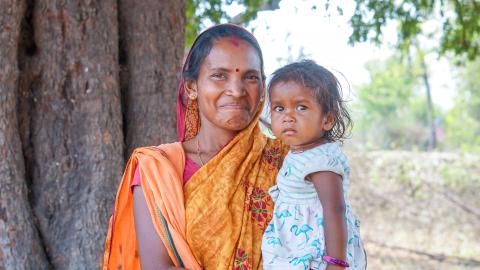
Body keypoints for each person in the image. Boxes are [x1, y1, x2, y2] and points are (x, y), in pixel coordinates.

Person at [102, 24, 287, 270]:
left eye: (250, 77)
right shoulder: (157, 171)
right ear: (192, 87)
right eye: (219, 75)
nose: (236, 90)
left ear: (262, 87)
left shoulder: (289, 160)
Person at [261, 60, 366, 270]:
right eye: (279, 108)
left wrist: (336, 263)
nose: (288, 117)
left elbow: (335, 209)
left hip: (316, 255)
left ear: (327, 120)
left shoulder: (319, 161)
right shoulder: (303, 150)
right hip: (296, 248)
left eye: (301, 107)